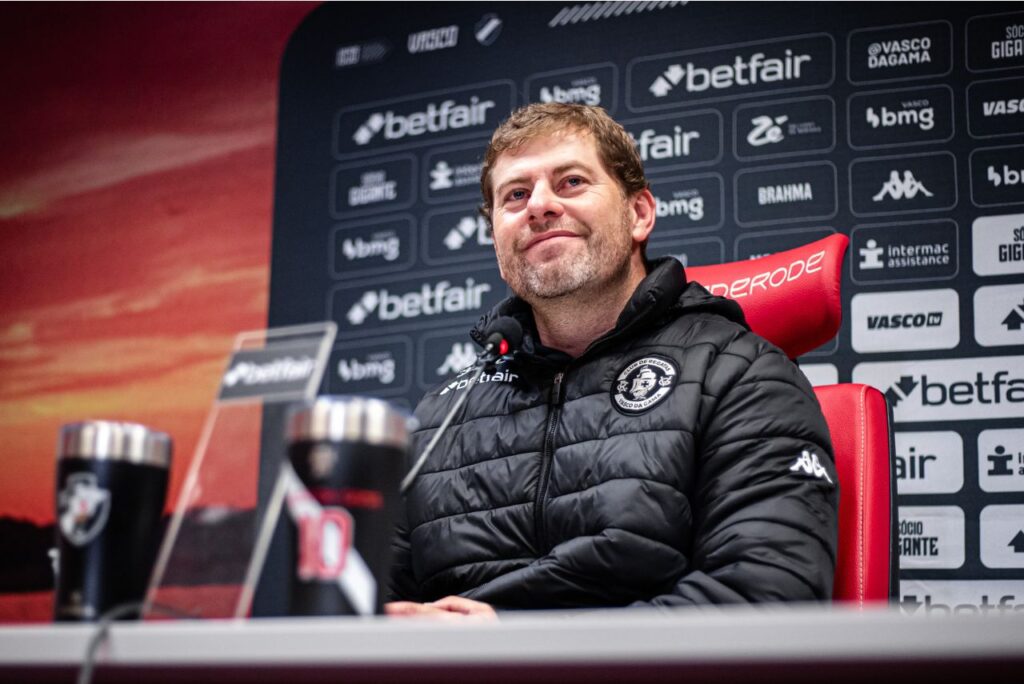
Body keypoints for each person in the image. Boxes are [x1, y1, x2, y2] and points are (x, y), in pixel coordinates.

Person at [387, 103, 838, 619]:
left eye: (571, 182)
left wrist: (517, 648)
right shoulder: (439, 418)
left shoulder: (740, 374)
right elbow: (359, 606)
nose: (539, 206)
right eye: (515, 195)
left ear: (638, 213)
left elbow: (767, 598)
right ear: (496, 237)